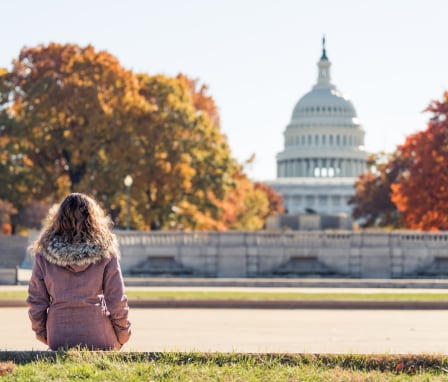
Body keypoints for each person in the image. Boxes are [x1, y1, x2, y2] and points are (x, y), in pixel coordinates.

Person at [27, 193, 131, 350]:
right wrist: (123, 334)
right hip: (100, 334)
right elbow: (117, 300)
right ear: (93, 219)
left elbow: (37, 300)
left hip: (58, 334)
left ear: (58, 219)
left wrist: (42, 332)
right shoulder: (106, 252)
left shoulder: (44, 254)